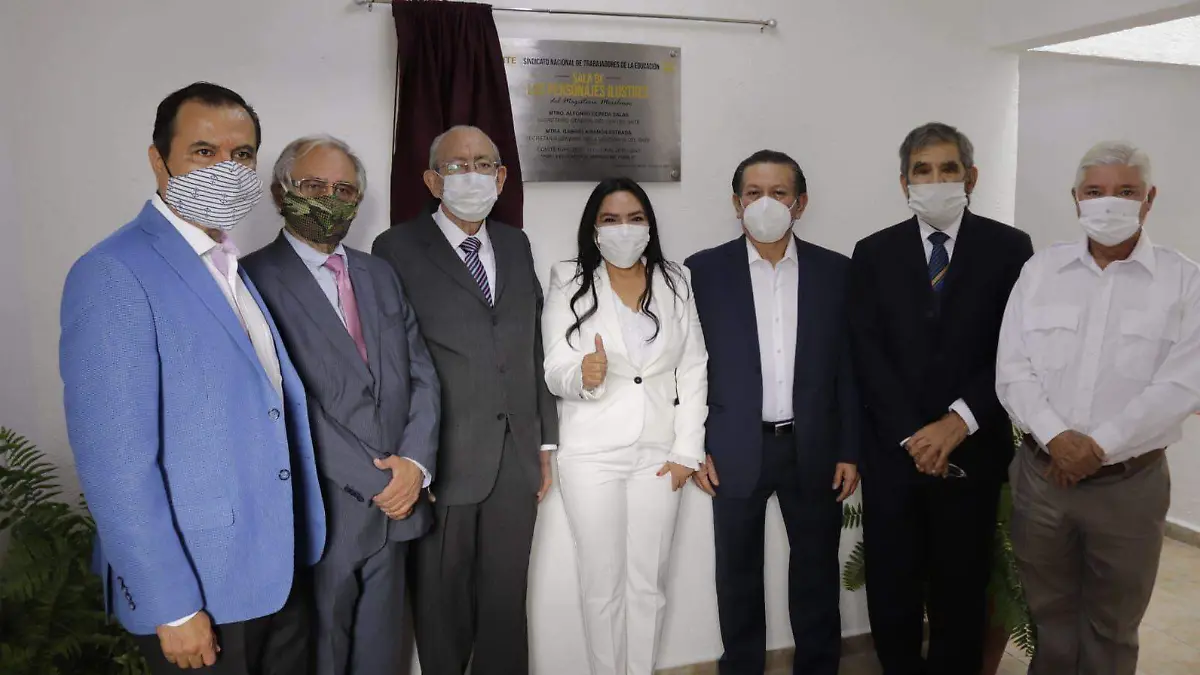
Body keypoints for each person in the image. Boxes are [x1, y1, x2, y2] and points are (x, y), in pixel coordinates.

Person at [59, 82, 325, 674]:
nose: (226, 169)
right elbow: (115, 464)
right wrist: (172, 606)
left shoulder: (228, 265)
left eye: (242, 154)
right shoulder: (113, 272)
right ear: (159, 160)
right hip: (200, 589)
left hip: (276, 571)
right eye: (204, 152)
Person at [997, 141, 1200, 675]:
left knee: (1112, 628)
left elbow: (1182, 385)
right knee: (1050, 620)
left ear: (1149, 200)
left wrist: (1098, 447)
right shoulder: (1041, 272)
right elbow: (1013, 369)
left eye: (1126, 191)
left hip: (1129, 487)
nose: (1109, 203)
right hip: (1043, 481)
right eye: (1095, 191)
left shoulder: (1184, 281)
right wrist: (1058, 439)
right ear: (1076, 198)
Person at [240, 135, 440, 675]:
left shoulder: (380, 273)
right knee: (321, 655)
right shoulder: (251, 281)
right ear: (281, 194)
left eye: (344, 189)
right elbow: (281, 401)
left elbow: (422, 373)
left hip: (399, 504)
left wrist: (414, 466)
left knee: (383, 655)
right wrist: (377, 482)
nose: (331, 198)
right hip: (324, 511)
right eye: (314, 186)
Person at [847, 122, 1033, 675]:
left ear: (970, 177)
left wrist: (958, 421)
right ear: (904, 181)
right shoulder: (872, 253)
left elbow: (1014, 348)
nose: (935, 180)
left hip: (972, 451)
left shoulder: (1010, 249)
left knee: (962, 589)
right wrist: (914, 435)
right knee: (892, 588)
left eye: (947, 169)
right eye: (922, 170)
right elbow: (866, 353)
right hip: (894, 454)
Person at [371, 125, 558, 675]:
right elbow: (391, 362)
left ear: (501, 177)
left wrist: (545, 441)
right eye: (456, 166)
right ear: (433, 181)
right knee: (441, 607)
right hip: (442, 463)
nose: (471, 175)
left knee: (505, 605)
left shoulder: (516, 244)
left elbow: (532, 344)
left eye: (483, 164)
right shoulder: (396, 248)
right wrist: (412, 457)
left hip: (515, 459)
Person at [686, 150, 861, 675]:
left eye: (779, 193)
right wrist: (693, 447)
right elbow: (687, 367)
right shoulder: (702, 272)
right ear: (737, 203)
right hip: (732, 446)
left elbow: (849, 368)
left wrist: (850, 449)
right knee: (737, 574)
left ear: (800, 203)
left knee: (816, 572)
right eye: (754, 193)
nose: (766, 203)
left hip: (814, 446)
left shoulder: (836, 272)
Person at [541, 178, 708, 675]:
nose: (624, 229)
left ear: (650, 226)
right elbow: (554, 367)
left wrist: (686, 452)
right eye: (611, 219)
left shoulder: (676, 279)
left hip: (659, 454)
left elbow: (694, 367)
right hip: (591, 455)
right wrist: (583, 376)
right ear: (593, 228)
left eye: (635, 218)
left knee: (648, 584)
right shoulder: (568, 278)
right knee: (601, 586)